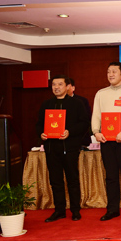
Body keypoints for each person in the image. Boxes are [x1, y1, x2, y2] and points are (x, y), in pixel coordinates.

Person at [36, 75, 90, 222]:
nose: (56, 87)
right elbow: (39, 124)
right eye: (54, 84)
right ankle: (59, 210)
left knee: (72, 180)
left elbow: (84, 123)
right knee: (55, 181)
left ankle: (75, 210)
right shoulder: (46, 104)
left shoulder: (76, 103)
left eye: (60, 84)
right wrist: (41, 134)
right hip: (51, 149)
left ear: (67, 87)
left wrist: (69, 132)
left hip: (70, 148)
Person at [91, 62, 121, 220]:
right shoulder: (101, 93)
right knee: (111, 176)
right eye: (108, 72)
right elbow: (96, 114)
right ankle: (112, 209)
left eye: (114, 71)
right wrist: (96, 131)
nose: (110, 74)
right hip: (106, 139)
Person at [67, 77, 92, 147]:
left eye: (67, 86)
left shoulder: (82, 101)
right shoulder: (54, 102)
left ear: (73, 88)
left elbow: (87, 118)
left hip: (80, 138)